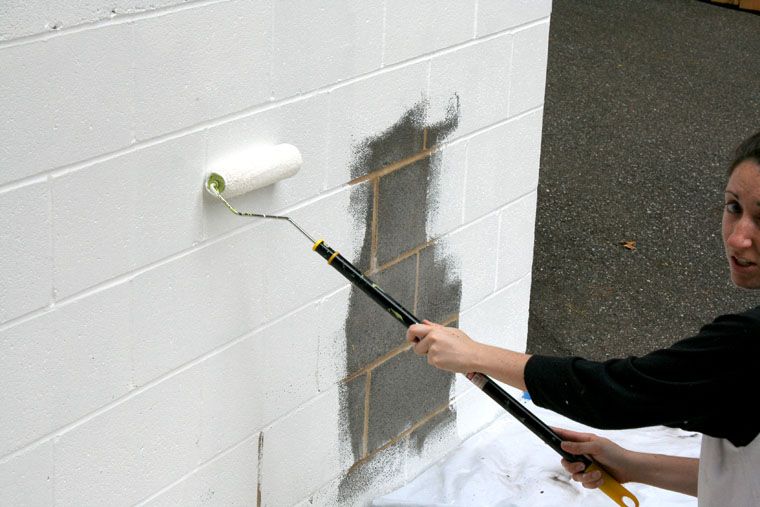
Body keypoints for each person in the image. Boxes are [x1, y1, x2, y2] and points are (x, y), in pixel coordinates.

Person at [406, 130, 760, 505]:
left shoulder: (749, 342)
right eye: (733, 207)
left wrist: (476, 356)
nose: (739, 237)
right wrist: (633, 465)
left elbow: (616, 393)